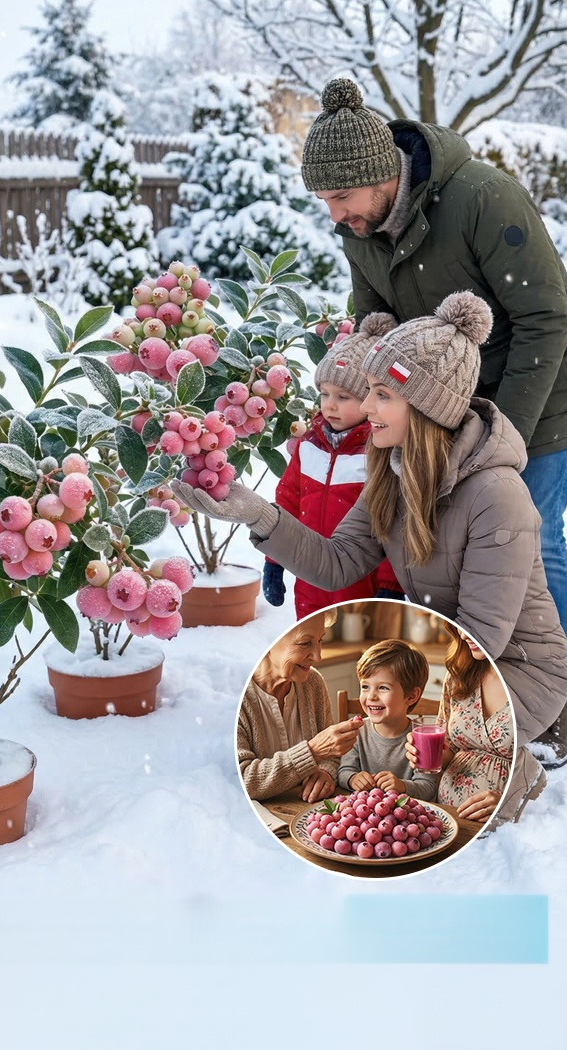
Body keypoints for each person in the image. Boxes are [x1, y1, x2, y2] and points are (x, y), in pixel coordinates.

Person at [173, 290, 567, 823]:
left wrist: (387, 700)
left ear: (425, 406)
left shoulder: (496, 495)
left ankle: (508, 772)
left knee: (413, 775)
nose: (365, 408)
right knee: (349, 735)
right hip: (446, 659)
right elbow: (336, 561)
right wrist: (256, 514)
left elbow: (482, 639)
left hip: (513, 668)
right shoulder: (392, 470)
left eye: (382, 395)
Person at [299, 77, 567, 675]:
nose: (335, 215)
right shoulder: (360, 231)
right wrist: (352, 395)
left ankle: (555, 694)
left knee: (534, 550)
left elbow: (545, 319)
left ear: (382, 176)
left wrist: (508, 440)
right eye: (326, 202)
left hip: (536, 402)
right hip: (436, 408)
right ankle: (471, 685)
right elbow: (376, 328)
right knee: (455, 552)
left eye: (342, 197)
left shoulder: (482, 198)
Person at [263, 313, 404, 616]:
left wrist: (391, 586)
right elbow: (287, 500)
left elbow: (394, 523)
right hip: (310, 575)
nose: (330, 404)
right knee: (312, 642)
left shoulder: (380, 452)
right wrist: (274, 560)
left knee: (360, 653)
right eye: (325, 394)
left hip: (360, 584)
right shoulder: (309, 445)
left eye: (344, 396)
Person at [237, 610, 362, 802]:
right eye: (305, 643)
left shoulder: (313, 683)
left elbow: (331, 756)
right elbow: (243, 779)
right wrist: (313, 751)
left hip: (304, 811)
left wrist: (326, 773)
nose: (318, 656)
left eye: (320, 640)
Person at [406, 624, 514, 824]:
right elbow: (450, 751)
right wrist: (425, 754)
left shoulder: (537, 682)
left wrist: (511, 803)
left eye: (472, 624)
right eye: (459, 625)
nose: (463, 634)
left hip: (507, 827)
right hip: (447, 818)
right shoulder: (458, 675)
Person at [337, 639, 437, 801]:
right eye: (365, 686)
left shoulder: (420, 739)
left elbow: (428, 788)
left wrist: (402, 786)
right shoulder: (357, 732)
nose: (371, 696)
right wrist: (352, 779)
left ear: (411, 696)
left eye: (383, 687)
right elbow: (343, 771)